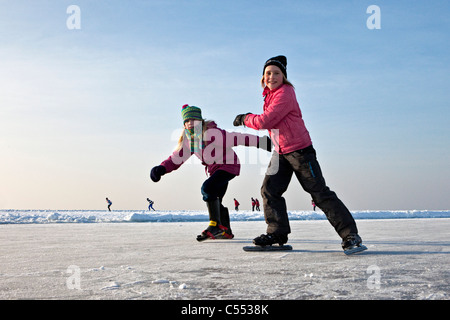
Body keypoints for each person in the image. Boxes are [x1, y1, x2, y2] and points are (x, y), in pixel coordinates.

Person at [233, 55, 365, 253]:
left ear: (284, 76)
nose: (272, 77)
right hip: (281, 152)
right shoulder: (269, 96)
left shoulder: (285, 92)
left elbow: (265, 121)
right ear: (262, 78)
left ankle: (350, 236)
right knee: (270, 190)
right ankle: (277, 233)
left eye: (276, 73)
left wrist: (245, 118)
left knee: (319, 193)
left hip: (301, 151)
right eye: (268, 73)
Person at [151, 104, 271, 241]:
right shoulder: (189, 141)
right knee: (216, 200)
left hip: (228, 166)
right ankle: (225, 231)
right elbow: (176, 159)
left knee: (207, 188)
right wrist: (161, 169)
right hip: (215, 171)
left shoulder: (212, 133)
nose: (190, 123)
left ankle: (214, 225)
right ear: (184, 125)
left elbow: (237, 137)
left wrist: (261, 142)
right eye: (187, 121)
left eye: (193, 120)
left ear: (200, 121)